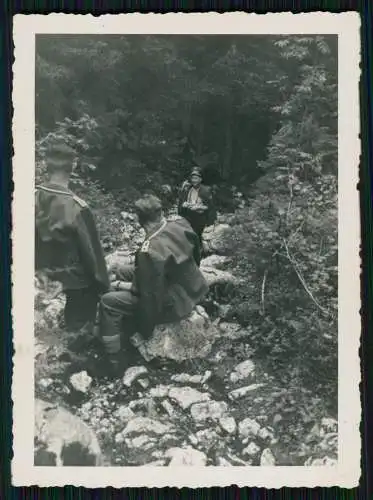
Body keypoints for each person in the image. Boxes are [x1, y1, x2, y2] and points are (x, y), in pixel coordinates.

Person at [99, 194, 209, 371]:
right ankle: (117, 277)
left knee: (108, 301)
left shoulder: (148, 250)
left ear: (139, 218)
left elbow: (149, 297)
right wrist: (119, 270)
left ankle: (114, 359)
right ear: (161, 212)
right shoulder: (179, 224)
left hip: (174, 303)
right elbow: (196, 254)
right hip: (191, 288)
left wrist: (145, 330)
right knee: (120, 269)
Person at [35, 140, 110, 340]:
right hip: (73, 283)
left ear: (45, 165)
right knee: (78, 333)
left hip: (38, 275)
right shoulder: (78, 208)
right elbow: (92, 257)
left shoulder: (29, 197)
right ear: (74, 165)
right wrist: (104, 286)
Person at [177, 167, 216, 247]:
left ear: (200, 179)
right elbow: (181, 202)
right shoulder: (188, 189)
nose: (194, 180)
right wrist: (184, 205)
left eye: (196, 178)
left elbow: (210, 207)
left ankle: (199, 252)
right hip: (189, 216)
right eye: (192, 178)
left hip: (200, 218)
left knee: (197, 238)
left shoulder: (206, 190)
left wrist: (199, 208)